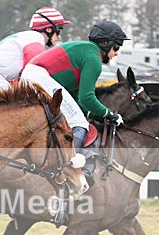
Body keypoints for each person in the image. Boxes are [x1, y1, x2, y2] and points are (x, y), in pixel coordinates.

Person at [20, 19, 129, 185]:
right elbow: (87, 97)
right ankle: (69, 168)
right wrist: (109, 114)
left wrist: (93, 113)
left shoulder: (87, 51)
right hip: (38, 77)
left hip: (34, 75)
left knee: (75, 118)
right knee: (79, 123)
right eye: (117, 47)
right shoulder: (94, 59)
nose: (117, 53)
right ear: (106, 44)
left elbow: (77, 97)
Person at [0, 6, 71, 94]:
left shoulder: (28, 37)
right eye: (58, 30)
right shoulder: (36, 40)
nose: (58, 36)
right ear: (49, 29)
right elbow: (33, 76)